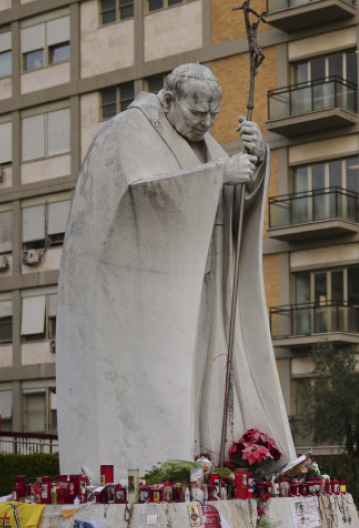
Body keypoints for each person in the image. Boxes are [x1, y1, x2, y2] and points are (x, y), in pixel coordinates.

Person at [57, 63, 295, 481]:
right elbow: (136, 197)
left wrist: (256, 166)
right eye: (196, 112)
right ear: (169, 101)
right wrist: (218, 177)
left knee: (211, 381)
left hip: (204, 294)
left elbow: (230, 214)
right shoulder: (126, 132)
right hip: (152, 303)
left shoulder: (205, 147)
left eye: (212, 114)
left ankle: (213, 462)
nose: (205, 122)